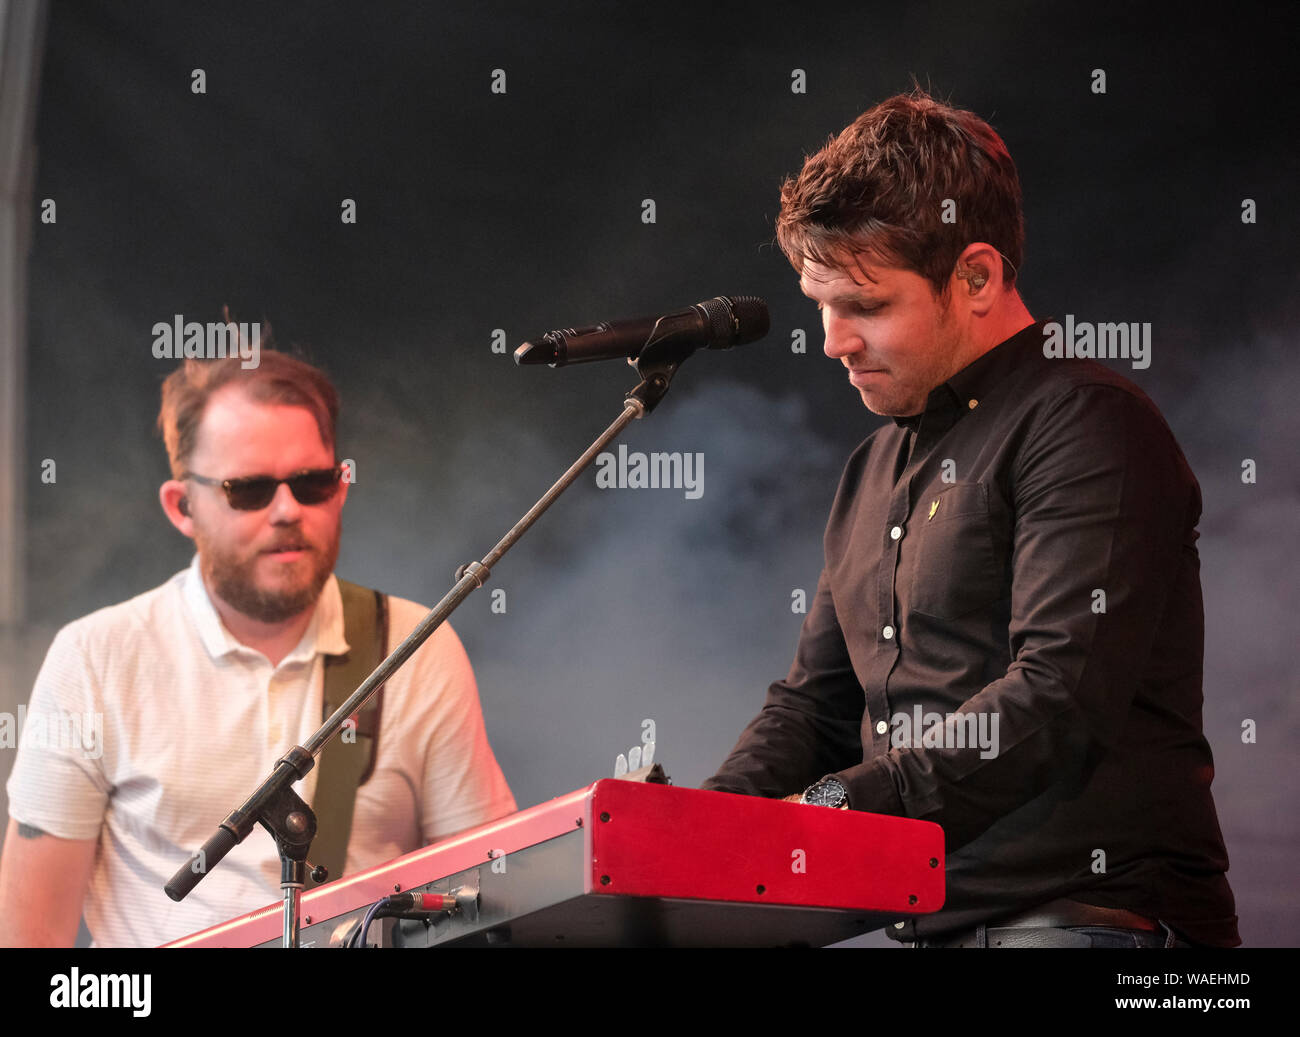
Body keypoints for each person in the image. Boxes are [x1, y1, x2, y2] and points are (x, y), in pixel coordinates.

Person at [701, 90, 1240, 948]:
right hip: (931, 925)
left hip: (1089, 921)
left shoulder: (1088, 421)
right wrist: (694, 828)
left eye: (866, 306)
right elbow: (815, 708)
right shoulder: (871, 469)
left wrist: (838, 802)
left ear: (978, 277)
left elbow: (1057, 694)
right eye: (820, 305)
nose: (834, 340)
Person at [0, 347, 516, 947]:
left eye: (312, 483)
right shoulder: (93, 659)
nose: (287, 510)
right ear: (181, 507)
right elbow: (30, 936)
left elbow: (497, 895)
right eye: (247, 490)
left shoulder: (416, 646)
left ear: (341, 486)